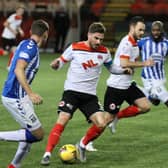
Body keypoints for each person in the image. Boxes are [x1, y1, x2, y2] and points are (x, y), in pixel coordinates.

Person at [40, 22, 131, 166]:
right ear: (89, 35)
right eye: (96, 38)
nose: (99, 42)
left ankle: (82, 145)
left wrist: (123, 70)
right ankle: (47, 154)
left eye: (101, 39)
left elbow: (112, 68)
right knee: (63, 118)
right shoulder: (75, 47)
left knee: (101, 123)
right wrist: (55, 64)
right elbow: (60, 62)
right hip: (72, 93)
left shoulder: (104, 52)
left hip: (89, 96)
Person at [85, 16, 155, 151]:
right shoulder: (126, 43)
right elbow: (124, 63)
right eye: (140, 30)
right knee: (105, 120)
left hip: (127, 85)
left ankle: (117, 117)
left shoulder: (135, 43)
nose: (142, 32)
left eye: (143, 30)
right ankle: (86, 142)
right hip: (116, 87)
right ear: (132, 27)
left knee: (145, 106)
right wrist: (144, 63)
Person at [0, 19, 49, 168]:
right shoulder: (31, 48)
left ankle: (15, 165)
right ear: (45, 34)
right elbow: (18, 69)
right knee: (37, 134)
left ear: (30, 32)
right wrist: (31, 93)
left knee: (28, 132)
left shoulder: (24, 43)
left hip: (19, 95)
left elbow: (12, 66)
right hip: (16, 97)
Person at [138, 21, 168, 106]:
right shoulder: (144, 42)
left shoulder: (166, 43)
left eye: (158, 30)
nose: (156, 32)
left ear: (162, 30)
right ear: (151, 31)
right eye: (154, 30)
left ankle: (136, 87)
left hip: (160, 77)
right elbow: (131, 48)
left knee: (155, 102)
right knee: (165, 97)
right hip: (148, 78)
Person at [1, 4, 25, 69]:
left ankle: (9, 66)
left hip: (12, 37)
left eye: (22, 11)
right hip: (7, 37)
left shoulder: (20, 18)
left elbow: (17, 26)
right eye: (20, 10)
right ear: (16, 10)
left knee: (15, 51)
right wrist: (13, 31)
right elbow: (5, 24)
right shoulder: (13, 16)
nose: (21, 12)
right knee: (5, 53)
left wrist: (20, 31)